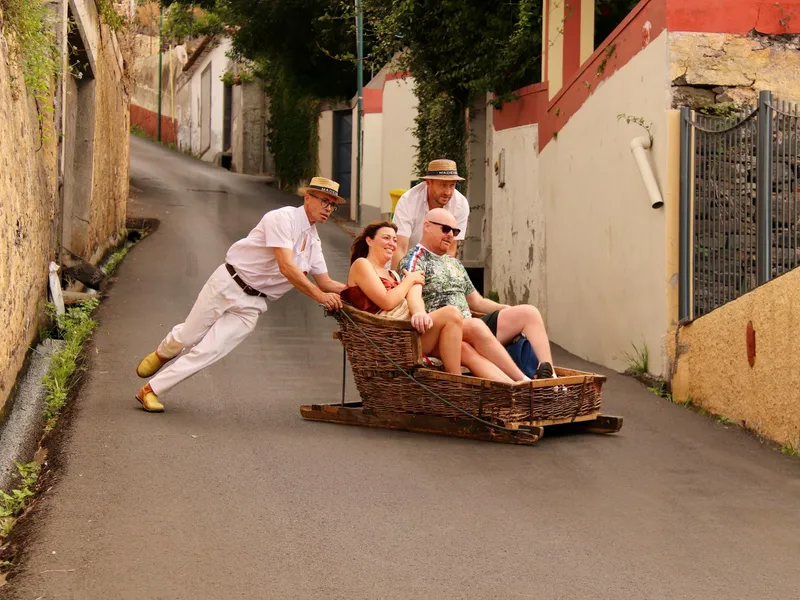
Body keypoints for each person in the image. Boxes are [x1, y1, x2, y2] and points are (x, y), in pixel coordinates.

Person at [133, 176, 348, 412]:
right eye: (325, 201)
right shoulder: (281, 218)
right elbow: (287, 267)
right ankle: (164, 352)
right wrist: (320, 297)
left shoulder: (313, 241)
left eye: (333, 205)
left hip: (254, 304)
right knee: (188, 336)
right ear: (308, 198)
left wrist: (363, 289)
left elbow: (326, 282)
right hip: (229, 282)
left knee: (209, 351)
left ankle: (151, 390)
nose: (329, 209)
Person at [341, 221, 526, 383]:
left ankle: (516, 386)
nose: (392, 243)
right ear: (369, 240)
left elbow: (411, 298)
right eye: (386, 238)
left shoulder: (393, 274)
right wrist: (409, 280)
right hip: (391, 337)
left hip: (407, 331)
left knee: (467, 344)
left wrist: (417, 304)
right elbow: (387, 301)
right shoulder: (362, 265)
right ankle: (456, 388)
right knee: (452, 313)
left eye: (395, 240)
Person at [401, 208, 556, 380]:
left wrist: (507, 309)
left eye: (455, 231)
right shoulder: (416, 259)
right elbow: (413, 293)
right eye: (445, 229)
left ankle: (550, 376)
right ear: (427, 226)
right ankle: (523, 381)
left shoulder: (454, 263)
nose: (450, 235)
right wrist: (419, 312)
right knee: (475, 326)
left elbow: (476, 301)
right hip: (443, 329)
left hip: (471, 324)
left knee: (528, 312)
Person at [391, 158, 470, 270]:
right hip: (407, 262)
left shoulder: (460, 204)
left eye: (452, 185)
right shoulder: (408, 201)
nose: (447, 192)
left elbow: (450, 251)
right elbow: (400, 248)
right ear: (428, 183)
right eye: (443, 185)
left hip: (436, 267)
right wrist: (400, 283)